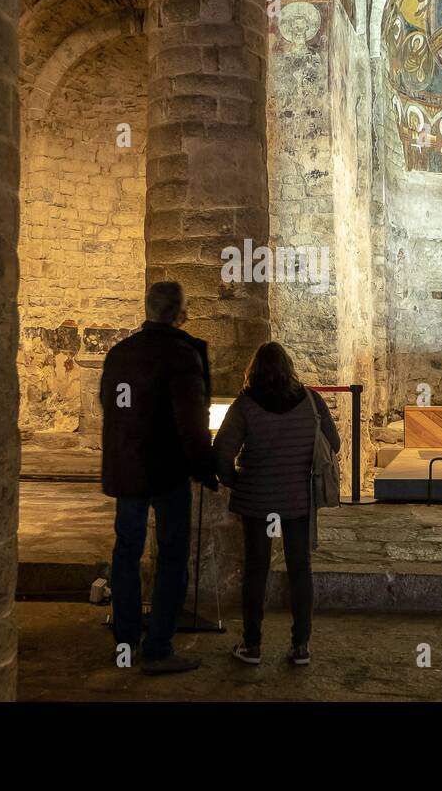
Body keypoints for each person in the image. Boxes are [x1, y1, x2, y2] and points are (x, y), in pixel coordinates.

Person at [99, 281, 218, 675]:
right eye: (186, 308)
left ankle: (125, 643)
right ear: (179, 313)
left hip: (128, 467)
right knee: (171, 556)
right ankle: (159, 648)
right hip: (167, 470)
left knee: (126, 551)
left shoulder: (120, 354)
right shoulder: (182, 355)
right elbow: (191, 422)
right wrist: (206, 467)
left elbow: (110, 406)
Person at [212, 342, 340, 666]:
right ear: (289, 367)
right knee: (300, 569)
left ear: (253, 370)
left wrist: (234, 481)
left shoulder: (245, 405)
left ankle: (252, 645)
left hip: (258, 502)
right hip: (296, 500)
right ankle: (301, 647)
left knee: (256, 570)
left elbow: (222, 451)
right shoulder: (311, 401)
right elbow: (333, 444)